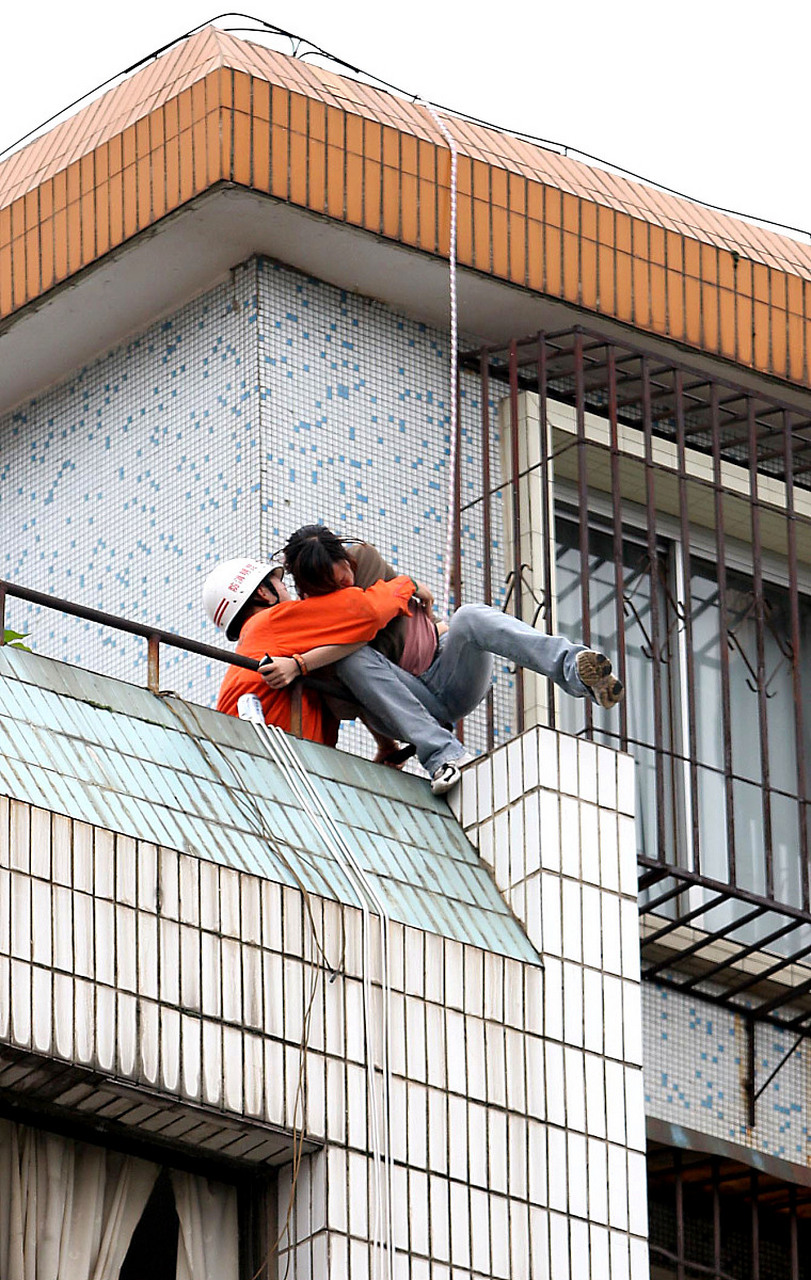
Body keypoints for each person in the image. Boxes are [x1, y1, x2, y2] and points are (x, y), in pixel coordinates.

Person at [259, 525, 624, 794]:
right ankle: (445, 758)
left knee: (469, 616)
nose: (345, 588)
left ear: (347, 558)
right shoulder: (314, 619)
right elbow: (359, 668)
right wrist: (386, 745)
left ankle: (574, 668)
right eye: (333, 589)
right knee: (352, 660)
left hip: (449, 673)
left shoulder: (365, 560)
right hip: (406, 703)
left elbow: (367, 619)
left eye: (345, 576)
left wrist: (302, 662)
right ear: (310, 592)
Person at [202, 556, 419, 743]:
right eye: (280, 584)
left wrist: (385, 745)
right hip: (281, 765)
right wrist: (407, 586)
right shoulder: (271, 623)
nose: (289, 589)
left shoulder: (256, 644)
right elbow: (367, 610)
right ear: (263, 593)